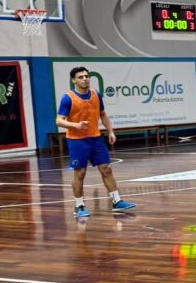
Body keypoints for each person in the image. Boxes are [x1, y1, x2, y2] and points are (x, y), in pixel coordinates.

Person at [55, 66, 137, 217]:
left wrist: (110, 131)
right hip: (77, 141)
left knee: (106, 169)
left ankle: (117, 201)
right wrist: (75, 125)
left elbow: (103, 114)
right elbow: (59, 121)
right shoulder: (68, 98)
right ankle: (79, 206)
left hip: (96, 138)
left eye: (87, 76)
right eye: (81, 77)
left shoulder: (96, 95)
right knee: (80, 173)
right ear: (74, 80)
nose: (85, 79)